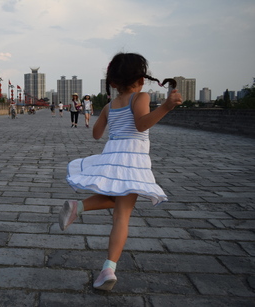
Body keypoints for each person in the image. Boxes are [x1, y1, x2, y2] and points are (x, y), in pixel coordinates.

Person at [59, 52, 182, 291]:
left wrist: (106, 117)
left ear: (113, 83)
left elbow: (96, 134)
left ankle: (79, 207)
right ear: (141, 79)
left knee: (117, 200)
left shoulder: (109, 105)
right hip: (133, 159)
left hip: (112, 156)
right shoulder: (141, 97)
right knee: (122, 216)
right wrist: (166, 107)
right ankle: (108, 268)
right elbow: (141, 124)